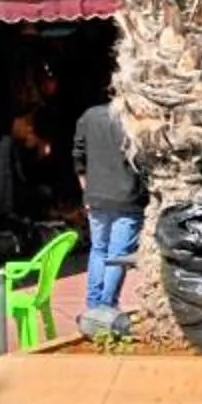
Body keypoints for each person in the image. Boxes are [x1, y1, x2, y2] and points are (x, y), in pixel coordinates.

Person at [72, 96, 143, 313]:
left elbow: (78, 158)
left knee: (98, 250)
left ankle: (94, 304)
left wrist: (87, 190)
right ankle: (107, 305)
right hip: (127, 197)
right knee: (118, 254)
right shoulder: (134, 120)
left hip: (95, 197)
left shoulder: (90, 116)